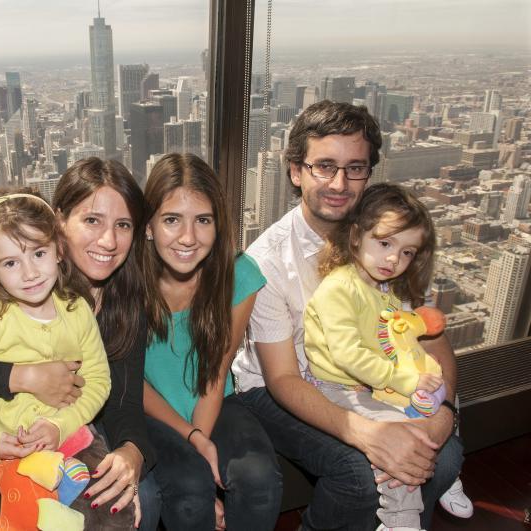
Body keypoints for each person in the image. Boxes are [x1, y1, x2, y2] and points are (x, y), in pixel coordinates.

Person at [233, 100, 464, 530]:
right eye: (324, 166)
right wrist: (367, 434)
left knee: (442, 457)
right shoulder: (267, 261)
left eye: (354, 168)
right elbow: (282, 378)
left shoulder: (387, 238)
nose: (340, 183)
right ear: (296, 171)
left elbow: (432, 341)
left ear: (368, 174)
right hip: (276, 384)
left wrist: (444, 413)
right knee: (360, 477)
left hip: (368, 379)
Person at [0, 158, 154, 528]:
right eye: (92, 220)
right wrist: (21, 377)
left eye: (123, 225)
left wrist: (132, 452)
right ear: (61, 226)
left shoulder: (92, 306)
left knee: (126, 506)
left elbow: (119, 397)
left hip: (73, 433)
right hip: (3, 450)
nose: (108, 240)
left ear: (53, 248)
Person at [141, 153, 282, 530]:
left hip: (212, 398)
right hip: (149, 410)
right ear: (149, 226)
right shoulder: (126, 282)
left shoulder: (239, 275)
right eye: (172, 220)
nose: (188, 238)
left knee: (260, 482)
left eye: (203, 220)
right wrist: (193, 445)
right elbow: (129, 383)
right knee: (189, 493)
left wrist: (202, 442)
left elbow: (216, 374)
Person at [303, 183, 449, 531]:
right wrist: (406, 379)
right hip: (334, 387)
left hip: (367, 386)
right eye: (385, 243)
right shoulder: (340, 288)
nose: (393, 260)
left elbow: (396, 341)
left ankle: (444, 484)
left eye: (407, 252)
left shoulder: (384, 291)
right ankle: (399, 521)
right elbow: (348, 354)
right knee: (400, 435)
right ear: (356, 236)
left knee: (425, 414)